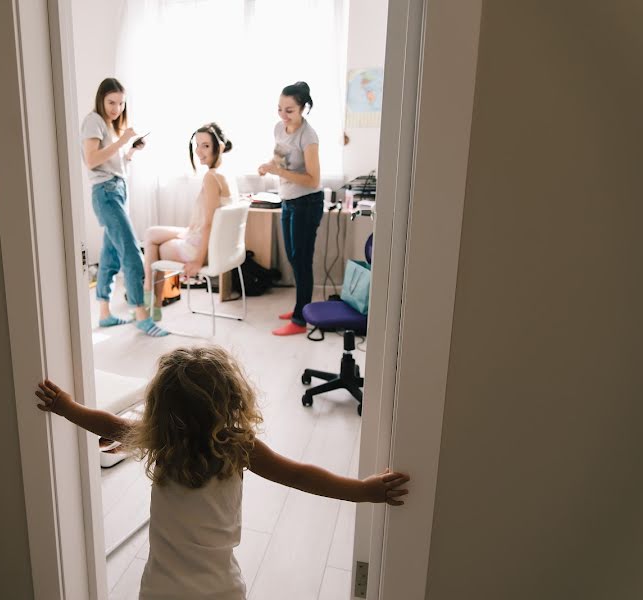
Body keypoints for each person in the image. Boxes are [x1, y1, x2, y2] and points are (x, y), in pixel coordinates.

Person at [35, 346, 410, 600]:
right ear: (231, 399)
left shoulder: (162, 440)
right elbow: (302, 476)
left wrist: (66, 407)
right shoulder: (238, 447)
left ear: (161, 407)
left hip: (160, 588)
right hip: (220, 590)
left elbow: (109, 423)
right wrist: (363, 490)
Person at [81, 77, 168, 337]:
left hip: (117, 190)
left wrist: (130, 152)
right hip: (106, 193)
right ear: (101, 99)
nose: (116, 108)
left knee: (110, 256)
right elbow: (91, 160)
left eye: (121, 103)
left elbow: (113, 165)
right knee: (132, 252)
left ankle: (105, 313)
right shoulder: (93, 120)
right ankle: (141, 314)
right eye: (111, 102)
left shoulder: (109, 125)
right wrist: (121, 141)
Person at [142, 123, 234, 321]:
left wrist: (198, 261)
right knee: (150, 234)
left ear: (219, 147)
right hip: (205, 240)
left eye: (206, 146)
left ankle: (149, 303)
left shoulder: (212, 177)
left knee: (155, 248)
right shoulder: (226, 175)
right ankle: (150, 301)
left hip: (200, 247)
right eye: (197, 145)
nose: (199, 151)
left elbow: (209, 222)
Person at [258, 81, 323, 336]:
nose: (283, 115)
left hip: (307, 203)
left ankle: (299, 320)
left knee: (302, 260)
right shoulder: (279, 128)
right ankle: (302, 307)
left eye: (290, 110)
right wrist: (268, 166)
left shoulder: (309, 137)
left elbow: (313, 179)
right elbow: (280, 160)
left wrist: (278, 171)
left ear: (303, 108)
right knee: (294, 258)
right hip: (287, 199)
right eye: (279, 109)